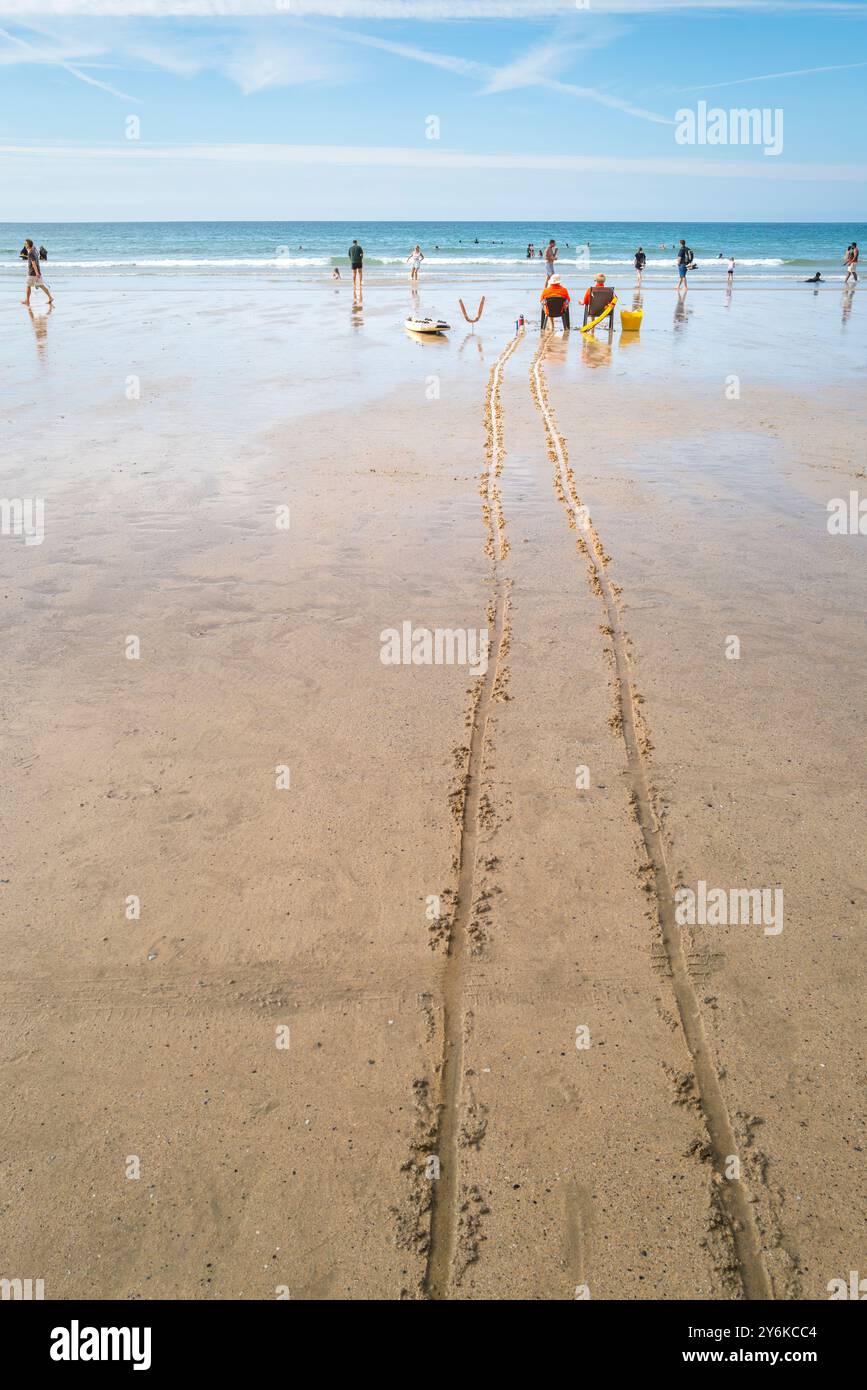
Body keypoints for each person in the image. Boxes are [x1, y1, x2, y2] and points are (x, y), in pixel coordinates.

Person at [20, 238, 53, 307]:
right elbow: (37, 262)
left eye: (26, 244)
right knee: (41, 285)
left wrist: (37, 273)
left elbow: (34, 263)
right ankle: (50, 297)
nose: (25, 245)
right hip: (37, 271)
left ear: (28, 245)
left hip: (32, 273)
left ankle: (27, 301)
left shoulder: (31, 253)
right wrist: (39, 272)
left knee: (28, 286)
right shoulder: (35, 250)